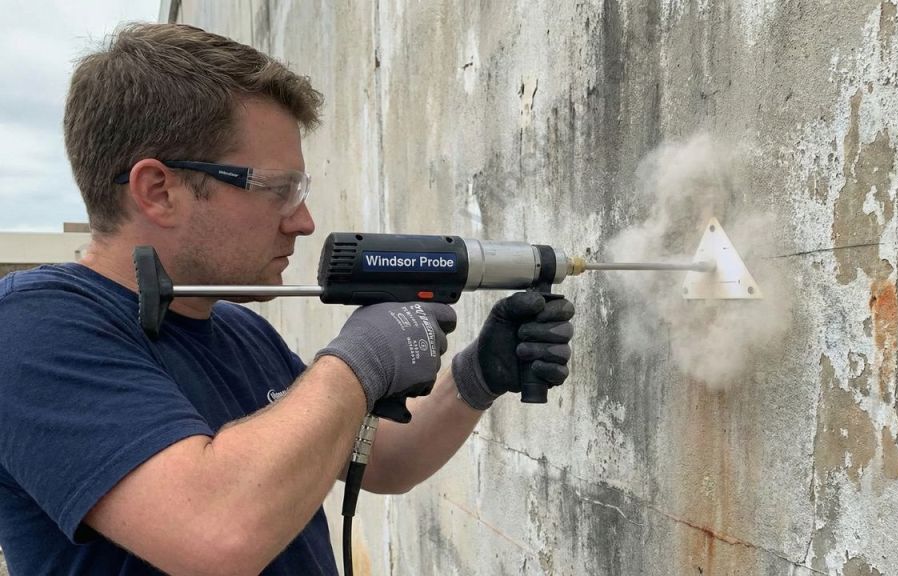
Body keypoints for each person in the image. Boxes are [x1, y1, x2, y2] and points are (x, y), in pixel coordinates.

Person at [0, 22, 574, 575]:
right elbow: (215, 532)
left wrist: (475, 377)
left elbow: (384, 462)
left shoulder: (241, 333)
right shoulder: (31, 330)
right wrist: (360, 362)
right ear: (159, 190)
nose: (303, 222)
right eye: (278, 189)